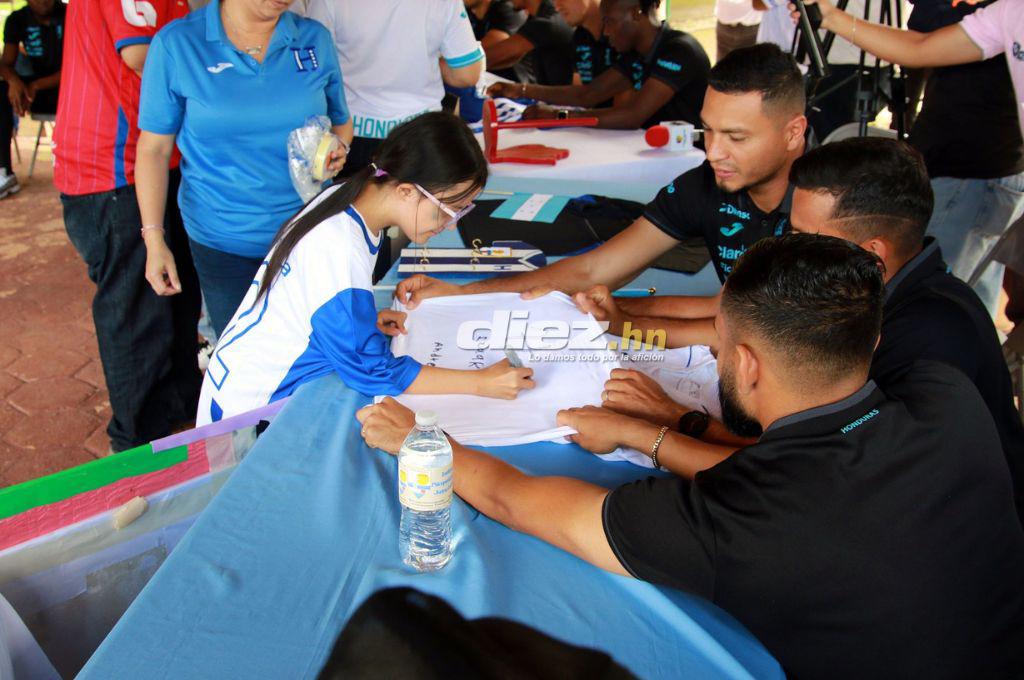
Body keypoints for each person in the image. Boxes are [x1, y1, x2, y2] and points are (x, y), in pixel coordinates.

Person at [360, 234, 1024, 679]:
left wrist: (421, 440)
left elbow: (523, 502)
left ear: (744, 363)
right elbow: (806, 466)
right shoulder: (947, 395)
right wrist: (655, 430)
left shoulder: (742, 521)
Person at [401, 43, 805, 334]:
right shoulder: (705, 184)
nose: (714, 152)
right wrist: (462, 293)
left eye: (736, 137)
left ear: (793, 133)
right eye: (709, 131)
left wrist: (618, 318)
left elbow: (748, 326)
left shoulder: (826, 204)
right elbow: (591, 269)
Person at [196, 113, 533, 426]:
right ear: (405, 191)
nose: (448, 226)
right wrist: (480, 381)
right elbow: (372, 371)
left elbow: (306, 299)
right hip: (249, 415)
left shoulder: (348, 197)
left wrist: (360, 321)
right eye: (449, 210)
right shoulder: (339, 245)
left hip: (244, 380)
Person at [788, 137, 1024, 521]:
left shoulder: (928, 334)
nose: (790, 253)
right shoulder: (897, 292)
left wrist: (677, 424)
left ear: (871, 254)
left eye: (806, 240)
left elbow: (833, 473)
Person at [135, 0, 353, 339]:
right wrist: (153, 238)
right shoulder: (178, 44)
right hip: (222, 240)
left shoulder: (314, 39)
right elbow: (153, 149)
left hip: (305, 235)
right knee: (242, 353)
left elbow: (341, 122)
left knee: (309, 347)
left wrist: (338, 148)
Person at [798, 0, 1024, 317]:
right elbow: (921, 47)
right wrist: (833, 17)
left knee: (941, 303)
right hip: (961, 164)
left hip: (982, 166)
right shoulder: (1010, 11)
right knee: (966, 297)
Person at [55, 0, 200, 453]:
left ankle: (180, 418)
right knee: (136, 311)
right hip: (115, 168)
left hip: (151, 162)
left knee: (175, 301)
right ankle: (136, 446)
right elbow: (141, 56)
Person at [305, 0, 483, 178]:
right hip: (421, 132)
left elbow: (312, 64)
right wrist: (424, 63)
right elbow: (466, 75)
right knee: (418, 203)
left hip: (350, 133)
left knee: (351, 204)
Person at [488, 0, 709, 129]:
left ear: (635, 13)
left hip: (691, 159)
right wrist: (519, 89)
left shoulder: (679, 50)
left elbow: (633, 115)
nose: (606, 32)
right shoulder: (637, 54)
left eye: (610, 22)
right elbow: (590, 93)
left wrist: (558, 117)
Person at [0, 0, 63, 199]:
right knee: (1, 91)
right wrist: (14, 81)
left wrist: (35, 86)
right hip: (31, 91)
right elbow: (6, 63)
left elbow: (76, 67)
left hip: (66, 90)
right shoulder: (17, 19)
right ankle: (4, 172)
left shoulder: (70, 14)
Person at [481, 0, 575, 86]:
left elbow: (492, 57)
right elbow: (509, 59)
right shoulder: (540, 16)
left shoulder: (547, 22)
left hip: (565, 100)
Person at [465, 0, 527, 83]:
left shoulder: (509, 8)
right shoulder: (463, 11)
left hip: (511, 87)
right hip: (479, 81)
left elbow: (481, 55)